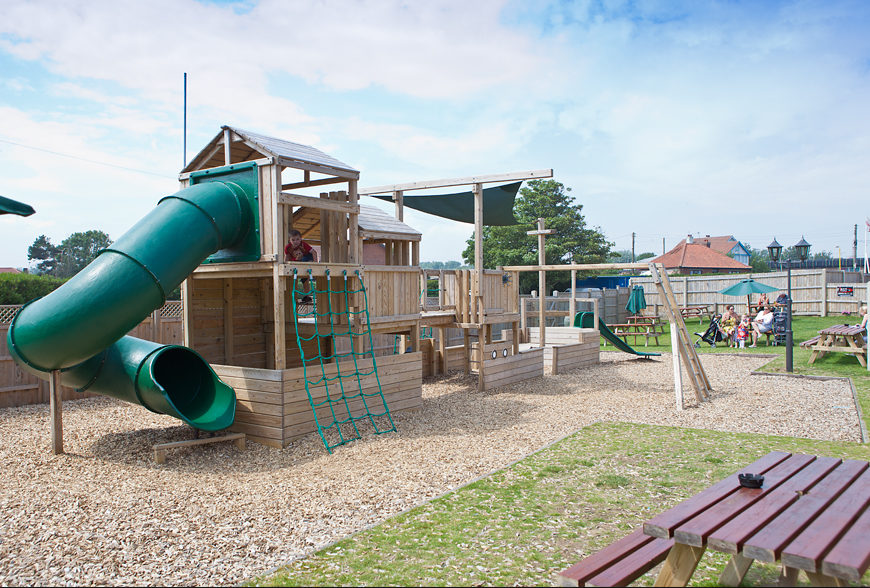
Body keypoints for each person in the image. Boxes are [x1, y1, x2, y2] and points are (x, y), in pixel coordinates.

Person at [285, 229, 318, 302]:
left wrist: (315, 264)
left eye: (297, 239)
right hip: (297, 261)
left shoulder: (304, 245)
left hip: (307, 257)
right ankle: (307, 296)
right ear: (289, 240)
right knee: (303, 279)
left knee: (305, 276)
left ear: (300, 239)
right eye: (293, 240)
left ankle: (307, 296)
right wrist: (285, 265)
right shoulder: (288, 248)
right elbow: (287, 257)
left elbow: (314, 252)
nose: (295, 242)